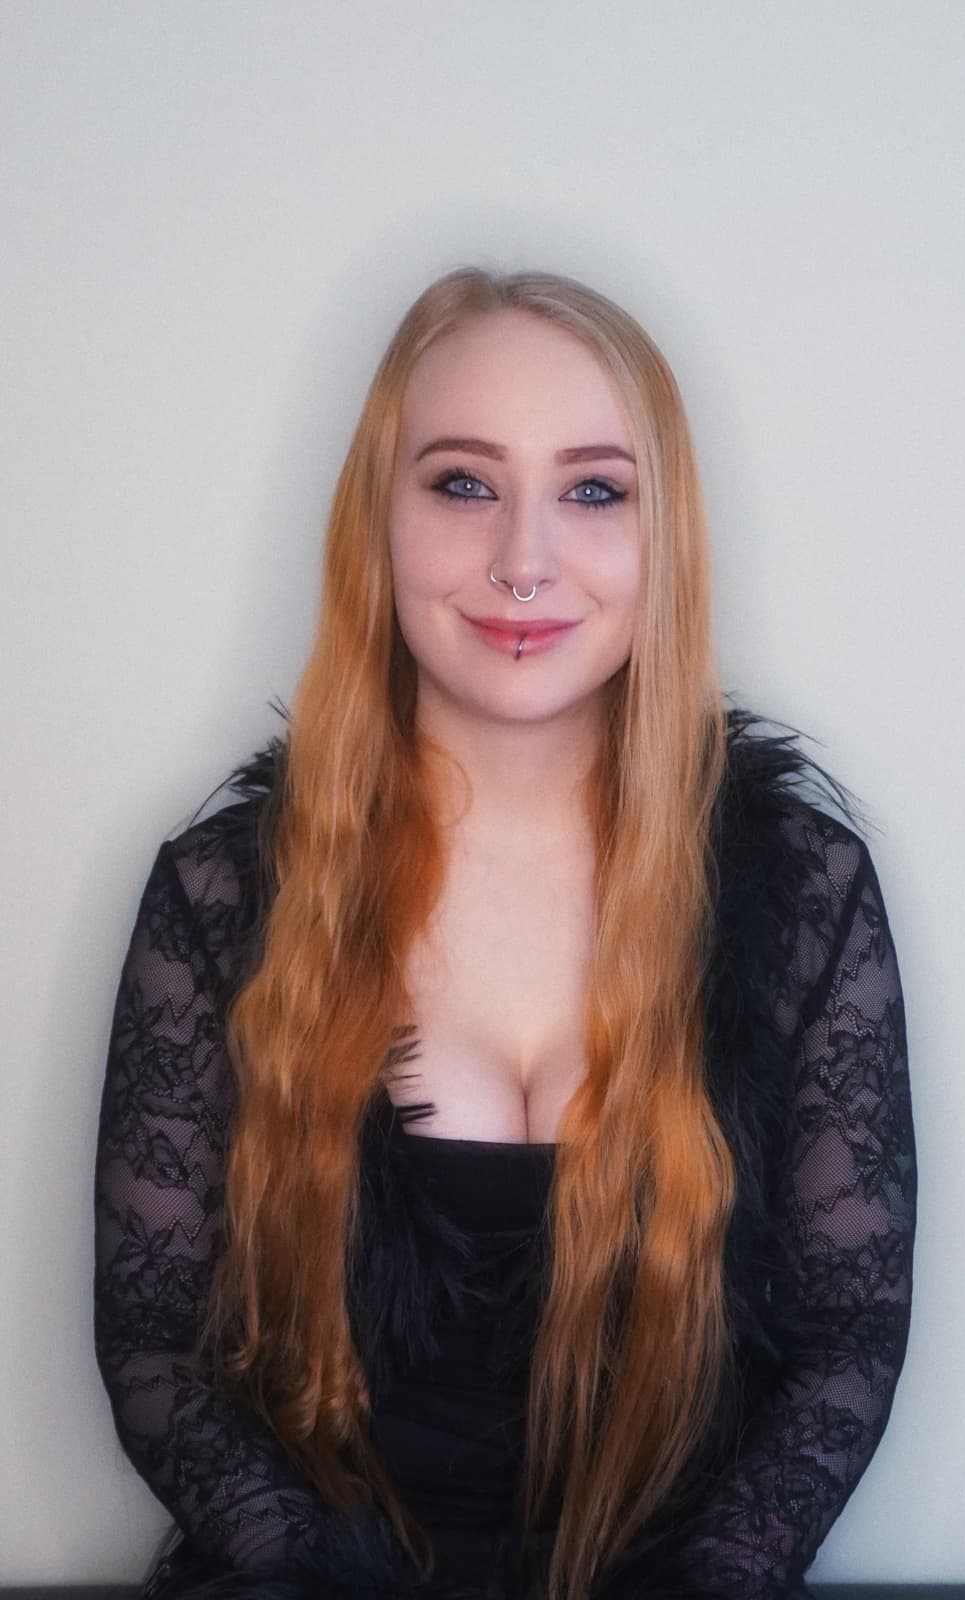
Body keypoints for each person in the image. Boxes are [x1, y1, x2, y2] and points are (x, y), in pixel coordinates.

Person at [93, 266, 917, 1600]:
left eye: (594, 491)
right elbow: (154, 1346)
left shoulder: (804, 892)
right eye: (465, 483)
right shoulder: (223, 894)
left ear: (664, 538)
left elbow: (847, 1341)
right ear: (380, 520)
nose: (524, 560)